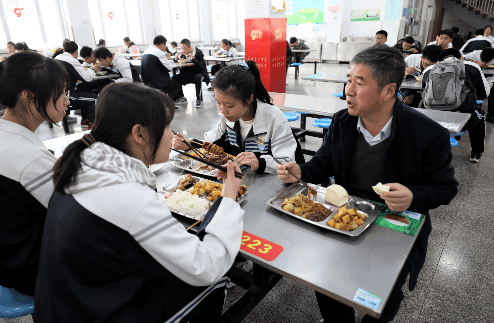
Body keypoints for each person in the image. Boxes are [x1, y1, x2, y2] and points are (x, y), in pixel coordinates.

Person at [276, 45, 458, 323]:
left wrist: (413, 195)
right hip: (347, 217)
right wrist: (299, 170)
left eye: (359, 83)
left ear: (389, 91)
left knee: (385, 294)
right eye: (348, 80)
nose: (348, 90)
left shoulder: (427, 134)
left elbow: (446, 188)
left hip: (396, 227)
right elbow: (323, 165)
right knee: (329, 282)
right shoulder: (342, 122)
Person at [34, 83, 244, 322]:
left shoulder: (79, 163)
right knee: (217, 282)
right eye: (166, 127)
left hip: (67, 304)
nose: (172, 135)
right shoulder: (130, 199)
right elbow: (207, 266)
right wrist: (228, 198)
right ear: (139, 134)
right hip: (99, 312)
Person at [0, 51, 69, 297]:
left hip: (9, 258)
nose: (66, 101)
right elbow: (73, 208)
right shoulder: (28, 158)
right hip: (33, 270)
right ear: (29, 96)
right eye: (60, 92)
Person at [173, 60, 303, 174]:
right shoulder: (228, 118)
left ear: (249, 99)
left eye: (229, 105)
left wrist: (260, 162)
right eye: (218, 102)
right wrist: (190, 144)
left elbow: (288, 166)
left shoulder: (273, 118)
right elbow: (212, 142)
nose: (223, 111)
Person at [422, 48, 490, 163]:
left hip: (432, 120)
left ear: (440, 60)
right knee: (481, 115)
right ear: (460, 57)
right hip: (462, 120)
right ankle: (476, 153)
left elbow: (424, 94)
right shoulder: (472, 66)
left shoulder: (429, 69)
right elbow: (484, 93)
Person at [55, 41, 98, 129]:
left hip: (56, 93)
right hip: (66, 96)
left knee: (83, 91)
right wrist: (93, 69)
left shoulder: (58, 58)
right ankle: (93, 125)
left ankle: (85, 120)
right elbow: (87, 78)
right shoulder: (72, 61)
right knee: (94, 98)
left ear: (64, 50)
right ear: (76, 52)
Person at [141, 35, 184, 103]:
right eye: (165, 45)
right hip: (156, 81)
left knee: (167, 86)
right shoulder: (159, 52)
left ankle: (161, 103)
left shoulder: (146, 51)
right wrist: (169, 58)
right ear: (162, 44)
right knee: (176, 86)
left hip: (145, 81)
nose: (165, 47)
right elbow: (169, 68)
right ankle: (166, 104)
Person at [172, 38, 210, 108]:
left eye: (185, 48)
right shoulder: (183, 54)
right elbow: (180, 64)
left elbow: (203, 66)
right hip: (188, 74)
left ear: (189, 47)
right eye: (182, 48)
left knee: (198, 78)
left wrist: (193, 59)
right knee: (175, 78)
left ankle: (198, 99)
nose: (183, 50)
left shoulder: (198, 53)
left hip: (199, 73)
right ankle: (181, 97)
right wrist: (176, 59)